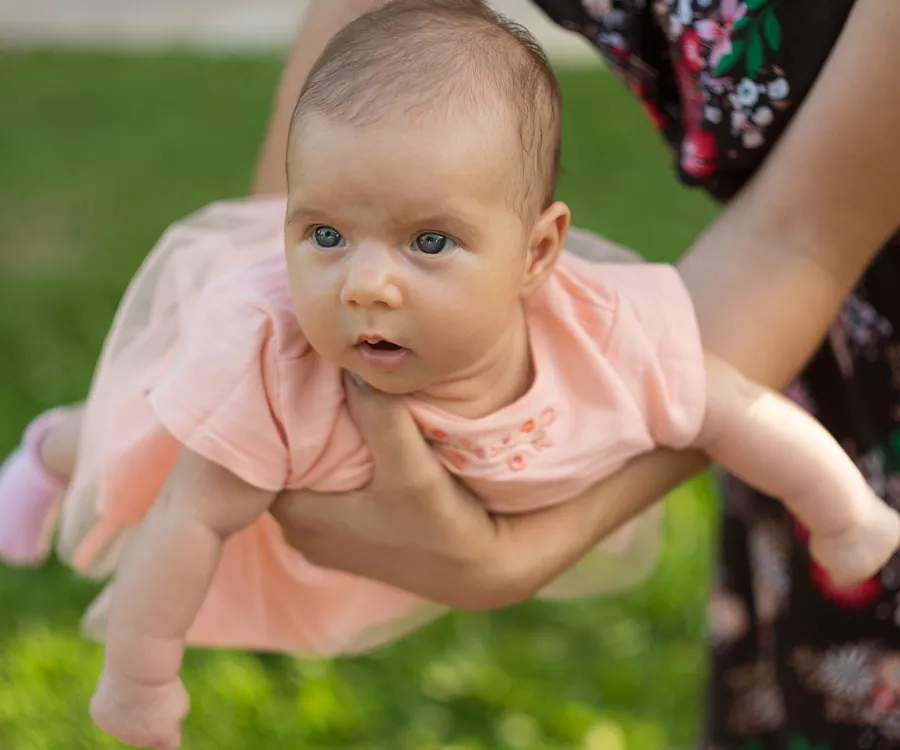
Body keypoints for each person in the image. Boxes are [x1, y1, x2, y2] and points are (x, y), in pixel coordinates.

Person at [0, 2, 895, 748]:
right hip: (275, 453)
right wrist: (141, 682)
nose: (365, 284)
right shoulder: (278, 362)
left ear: (536, 253)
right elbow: (187, 519)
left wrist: (841, 510)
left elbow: (732, 408)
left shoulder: (599, 340)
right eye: (324, 234)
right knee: (131, 439)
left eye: (429, 242)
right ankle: (48, 455)